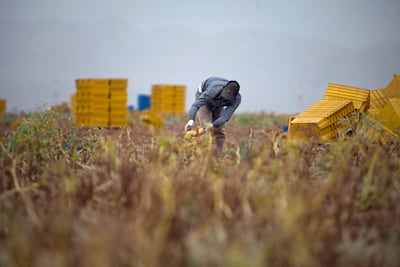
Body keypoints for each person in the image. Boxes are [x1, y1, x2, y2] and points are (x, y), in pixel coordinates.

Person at [184, 77, 241, 154]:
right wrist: (191, 120)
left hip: (218, 103)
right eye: (224, 97)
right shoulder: (212, 90)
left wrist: (213, 124)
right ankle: (203, 155)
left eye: (227, 99)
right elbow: (196, 105)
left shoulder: (237, 99)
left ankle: (217, 156)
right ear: (223, 89)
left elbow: (224, 117)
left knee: (219, 130)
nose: (225, 100)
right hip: (204, 95)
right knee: (205, 128)